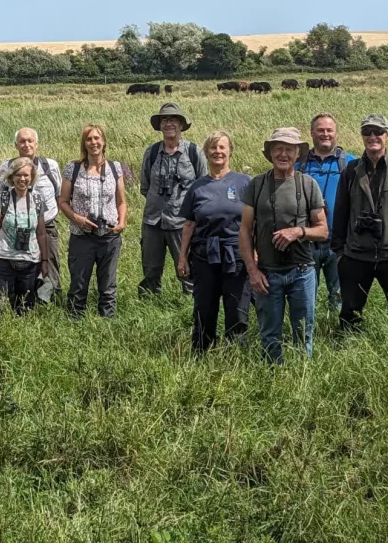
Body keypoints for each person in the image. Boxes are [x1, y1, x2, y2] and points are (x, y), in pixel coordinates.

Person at [239, 128, 328, 364]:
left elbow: (323, 230)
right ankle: (272, 383)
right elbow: (245, 230)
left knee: (303, 334)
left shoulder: (308, 185)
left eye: (289, 149)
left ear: (298, 153)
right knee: (269, 335)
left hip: (302, 272)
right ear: (269, 153)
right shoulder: (256, 185)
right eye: (278, 148)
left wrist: (298, 231)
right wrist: (252, 272)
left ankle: (301, 379)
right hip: (267, 275)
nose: (283, 154)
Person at [332, 114, 388, 331]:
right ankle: (347, 349)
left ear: (387, 135)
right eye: (367, 132)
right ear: (362, 136)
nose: (372, 136)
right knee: (350, 313)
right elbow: (341, 212)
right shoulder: (351, 171)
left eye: (378, 132)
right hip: (356, 255)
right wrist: (340, 252)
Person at [177, 131, 251, 352]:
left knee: (237, 308)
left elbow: (253, 222)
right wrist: (182, 257)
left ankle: (234, 355)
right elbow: (189, 224)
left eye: (222, 147)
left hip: (236, 256)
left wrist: (255, 254)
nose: (218, 152)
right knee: (204, 309)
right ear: (206, 153)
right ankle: (202, 354)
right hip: (203, 256)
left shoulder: (244, 183)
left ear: (230, 152)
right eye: (213, 148)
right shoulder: (197, 186)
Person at [139, 102, 207, 298]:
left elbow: (202, 189)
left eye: (173, 119)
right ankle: (149, 306)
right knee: (150, 270)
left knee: (187, 271)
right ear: (160, 125)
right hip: (153, 221)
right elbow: (145, 187)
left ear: (181, 124)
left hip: (182, 224)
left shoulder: (194, 152)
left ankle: (192, 310)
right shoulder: (151, 153)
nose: (169, 123)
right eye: (165, 120)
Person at [58, 124, 126, 318]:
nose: (93, 142)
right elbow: (62, 201)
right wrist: (77, 218)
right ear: (84, 143)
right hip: (82, 237)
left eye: (97, 138)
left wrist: (122, 223)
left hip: (109, 236)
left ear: (103, 141)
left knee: (108, 285)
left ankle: (107, 324)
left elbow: (121, 201)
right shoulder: (73, 168)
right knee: (78, 284)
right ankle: (74, 323)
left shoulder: (115, 168)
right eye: (89, 139)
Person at [295, 113, 356, 312]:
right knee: (305, 296)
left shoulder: (350, 164)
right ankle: (307, 336)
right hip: (306, 243)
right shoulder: (299, 164)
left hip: (339, 244)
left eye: (329, 130)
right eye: (320, 130)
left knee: (340, 295)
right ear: (312, 133)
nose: (325, 134)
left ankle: (339, 337)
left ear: (336, 133)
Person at [0, 128, 62, 303]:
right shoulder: (7, 167)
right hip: (15, 230)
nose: (26, 145)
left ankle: (50, 302)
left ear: (36, 144)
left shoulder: (51, 166)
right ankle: (25, 302)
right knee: (23, 270)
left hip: (46, 227)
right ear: (16, 145)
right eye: (22, 141)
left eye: (30, 141)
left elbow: (59, 196)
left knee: (50, 267)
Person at [0, 157, 48, 315]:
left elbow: (41, 233)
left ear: (32, 177)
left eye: (26, 175)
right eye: (18, 175)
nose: (22, 179)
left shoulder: (38, 200)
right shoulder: (2, 199)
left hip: (30, 262)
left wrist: (45, 261)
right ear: (11, 177)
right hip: (4, 260)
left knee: (25, 308)